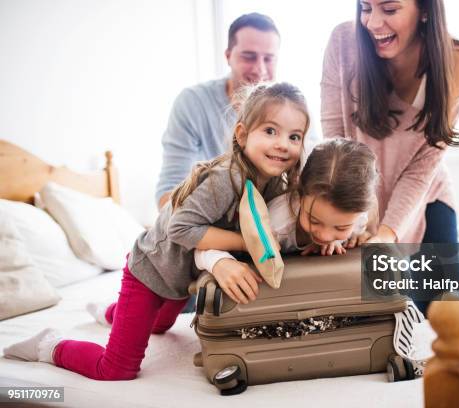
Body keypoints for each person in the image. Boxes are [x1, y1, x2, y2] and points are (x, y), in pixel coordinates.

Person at [3, 82, 310, 380]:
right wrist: (248, 243)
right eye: (270, 131)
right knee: (116, 370)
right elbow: (182, 229)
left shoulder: (273, 183)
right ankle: (50, 345)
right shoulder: (225, 179)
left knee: (160, 326)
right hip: (149, 272)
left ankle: (112, 313)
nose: (283, 143)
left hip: (181, 278)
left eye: (294, 136)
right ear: (242, 135)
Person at [321, 0, 459, 312]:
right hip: (361, 198)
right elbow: (335, 139)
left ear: (425, 10)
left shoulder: (455, 59)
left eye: (389, 10)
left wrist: (387, 234)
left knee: (447, 312)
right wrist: (353, 216)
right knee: (379, 318)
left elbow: (424, 167)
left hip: (425, 197)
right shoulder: (343, 43)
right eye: (365, 8)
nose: (373, 23)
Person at [194, 138, 380, 280]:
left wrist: (357, 236)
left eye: (340, 228)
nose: (324, 236)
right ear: (299, 193)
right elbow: (201, 246)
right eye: (314, 220)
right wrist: (219, 262)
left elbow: (371, 214)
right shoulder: (276, 223)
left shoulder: (358, 214)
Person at [156, 12, 281, 210]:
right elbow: (168, 195)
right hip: (209, 221)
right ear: (228, 56)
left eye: (269, 58)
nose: (260, 69)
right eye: (249, 57)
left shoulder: (292, 108)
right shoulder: (192, 103)